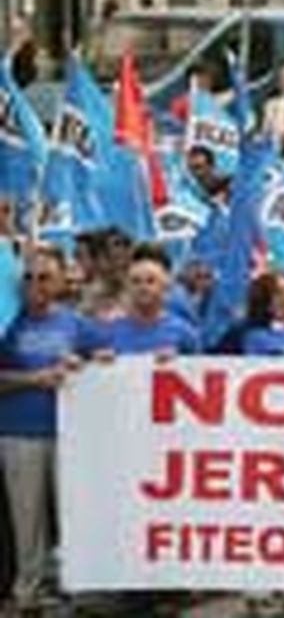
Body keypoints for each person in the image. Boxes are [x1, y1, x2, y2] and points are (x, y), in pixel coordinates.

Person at [0, 248, 97, 615]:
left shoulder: (76, 324)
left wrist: (89, 363)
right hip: (18, 433)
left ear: (60, 282)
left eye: (44, 277)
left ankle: (76, 588)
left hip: (70, 436)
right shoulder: (7, 323)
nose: (35, 285)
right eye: (28, 277)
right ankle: (28, 591)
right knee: (27, 519)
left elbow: (107, 362)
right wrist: (33, 379)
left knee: (74, 514)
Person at [98, 256, 201, 358]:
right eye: (136, 281)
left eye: (150, 281)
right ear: (127, 288)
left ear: (163, 288)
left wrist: (178, 360)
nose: (143, 287)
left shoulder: (183, 331)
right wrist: (98, 362)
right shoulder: (110, 332)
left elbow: (200, 367)